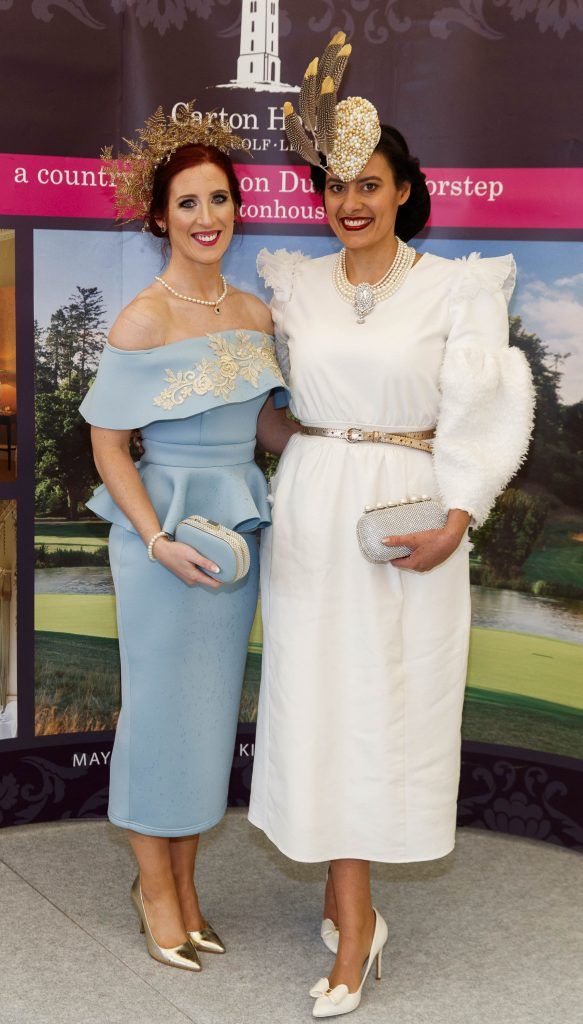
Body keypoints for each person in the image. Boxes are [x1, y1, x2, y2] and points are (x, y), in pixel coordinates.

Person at [249, 36, 535, 1017]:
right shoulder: (293, 283)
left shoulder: (457, 289)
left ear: (406, 189)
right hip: (314, 503)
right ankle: (352, 907)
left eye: (369, 184)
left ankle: (355, 925)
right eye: (334, 187)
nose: (350, 203)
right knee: (318, 701)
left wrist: (459, 511)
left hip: (408, 518)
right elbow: (259, 393)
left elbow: (488, 410)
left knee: (389, 708)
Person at [80, 105, 293, 971]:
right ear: (160, 217)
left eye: (219, 200)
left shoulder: (254, 311)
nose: (207, 218)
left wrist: (371, 441)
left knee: (206, 718)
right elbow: (107, 443)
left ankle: (189, 885)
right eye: (187, 204)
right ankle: (154, 889)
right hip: (159, 539)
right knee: (159, 712)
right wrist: (155, 538)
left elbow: (269, 432)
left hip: (235, 532)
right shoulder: (142, 317)